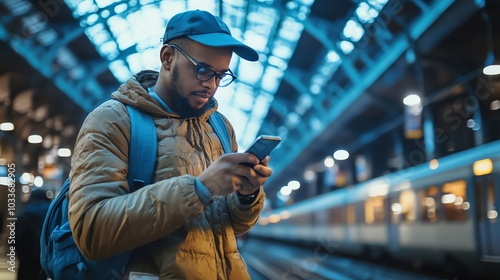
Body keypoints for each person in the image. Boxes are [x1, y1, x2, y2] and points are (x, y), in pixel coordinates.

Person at [68, 9, 272, 279]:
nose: (211, 85)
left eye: (221, 76)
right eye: (203, 71)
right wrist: (201, 188)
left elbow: (233, 226)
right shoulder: (113, 120)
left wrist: (246, 195)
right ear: (167, 57)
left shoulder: (220, 127)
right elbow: (91, 232)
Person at [17, 189, 50, 280]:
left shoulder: (24, 213)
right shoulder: (49, 213)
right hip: (45, 261)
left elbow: (16, 238)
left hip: (26, 262)